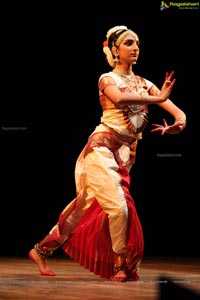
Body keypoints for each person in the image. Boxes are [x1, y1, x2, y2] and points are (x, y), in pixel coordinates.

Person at [29, 25, 186, 282]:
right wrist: (157, 100)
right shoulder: (107, 78)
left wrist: (178, 125)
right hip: (100, 148)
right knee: (119, 208)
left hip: (125, 155)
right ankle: (120, 265)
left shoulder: (146, 84)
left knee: (86, 206)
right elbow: (119, 99)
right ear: (115, 49)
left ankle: (42, 249)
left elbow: (179, 113)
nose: (135, 47)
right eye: (128, 43)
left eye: (137, 43)